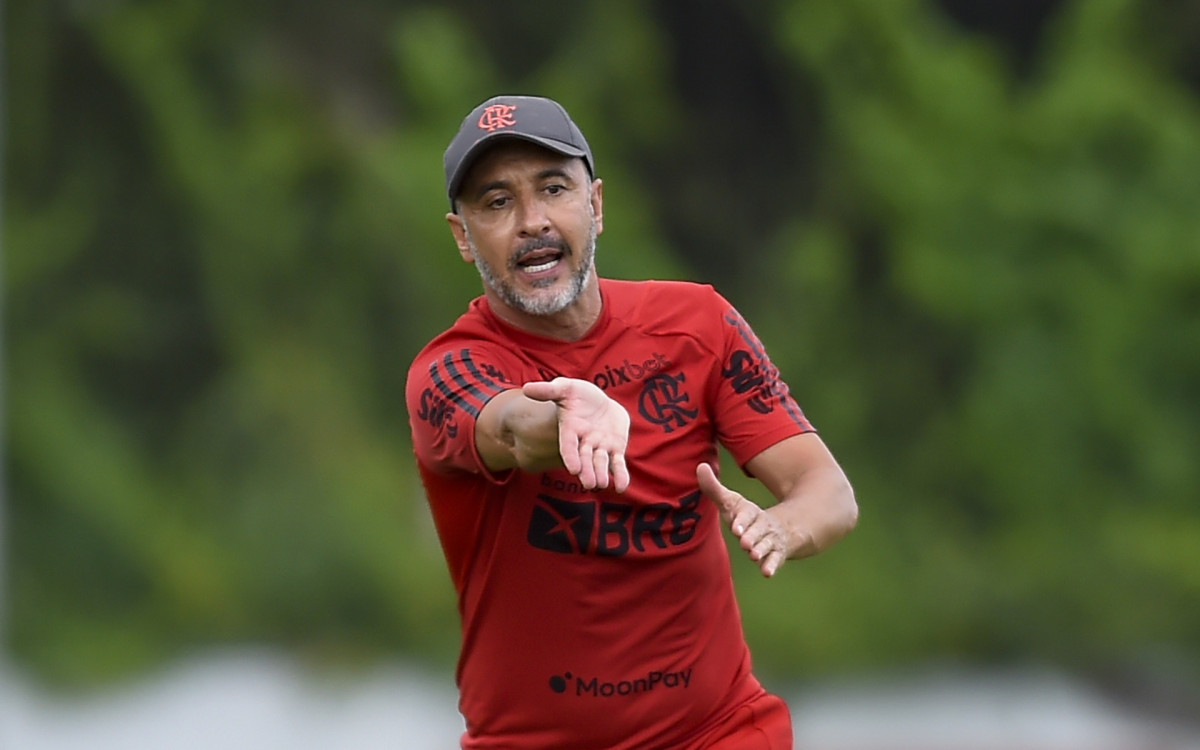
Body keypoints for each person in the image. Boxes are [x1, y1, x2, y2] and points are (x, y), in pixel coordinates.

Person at [405, 94, 858, 750]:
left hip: (718, 732)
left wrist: (781, 529)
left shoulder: (699, 325)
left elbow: (828, 492)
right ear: (462, 236)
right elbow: (508, 428)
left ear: (596, 205)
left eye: (554, 189)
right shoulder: (447, 369)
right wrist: (566, 418)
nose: (532, 221)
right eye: (497, 202)